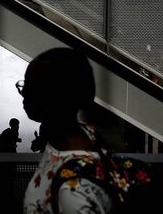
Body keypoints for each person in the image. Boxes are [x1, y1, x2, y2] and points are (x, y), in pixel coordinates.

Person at [19, 48, 113, 213]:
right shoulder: (84, 135)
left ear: (49, 102)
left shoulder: (74, 194)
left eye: (29, 88)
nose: (23, 94)